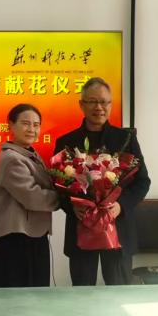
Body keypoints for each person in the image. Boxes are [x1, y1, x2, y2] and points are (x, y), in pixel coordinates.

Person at [54, 78, 150, 286]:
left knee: (119, 294)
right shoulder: (66, 143)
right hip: (81, 230)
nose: (99, 107)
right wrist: (72, 207)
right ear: (82, 105)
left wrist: (120, 205)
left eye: (104, 102)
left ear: (111, 105)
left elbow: (142, 182)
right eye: (92, 101)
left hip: (118, 230)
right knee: (82, 293)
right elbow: (57, 187)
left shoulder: (126, 139)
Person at [0, 103, 59, 287]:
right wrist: (64, 199)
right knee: (18, 296)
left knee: (37, 294)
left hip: (33, 235)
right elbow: (32, 197)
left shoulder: (29, 154)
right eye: (25, 123)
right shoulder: (12, 158)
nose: (32, 129)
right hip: (18, 239)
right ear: (11, 125)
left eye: (36, 125)